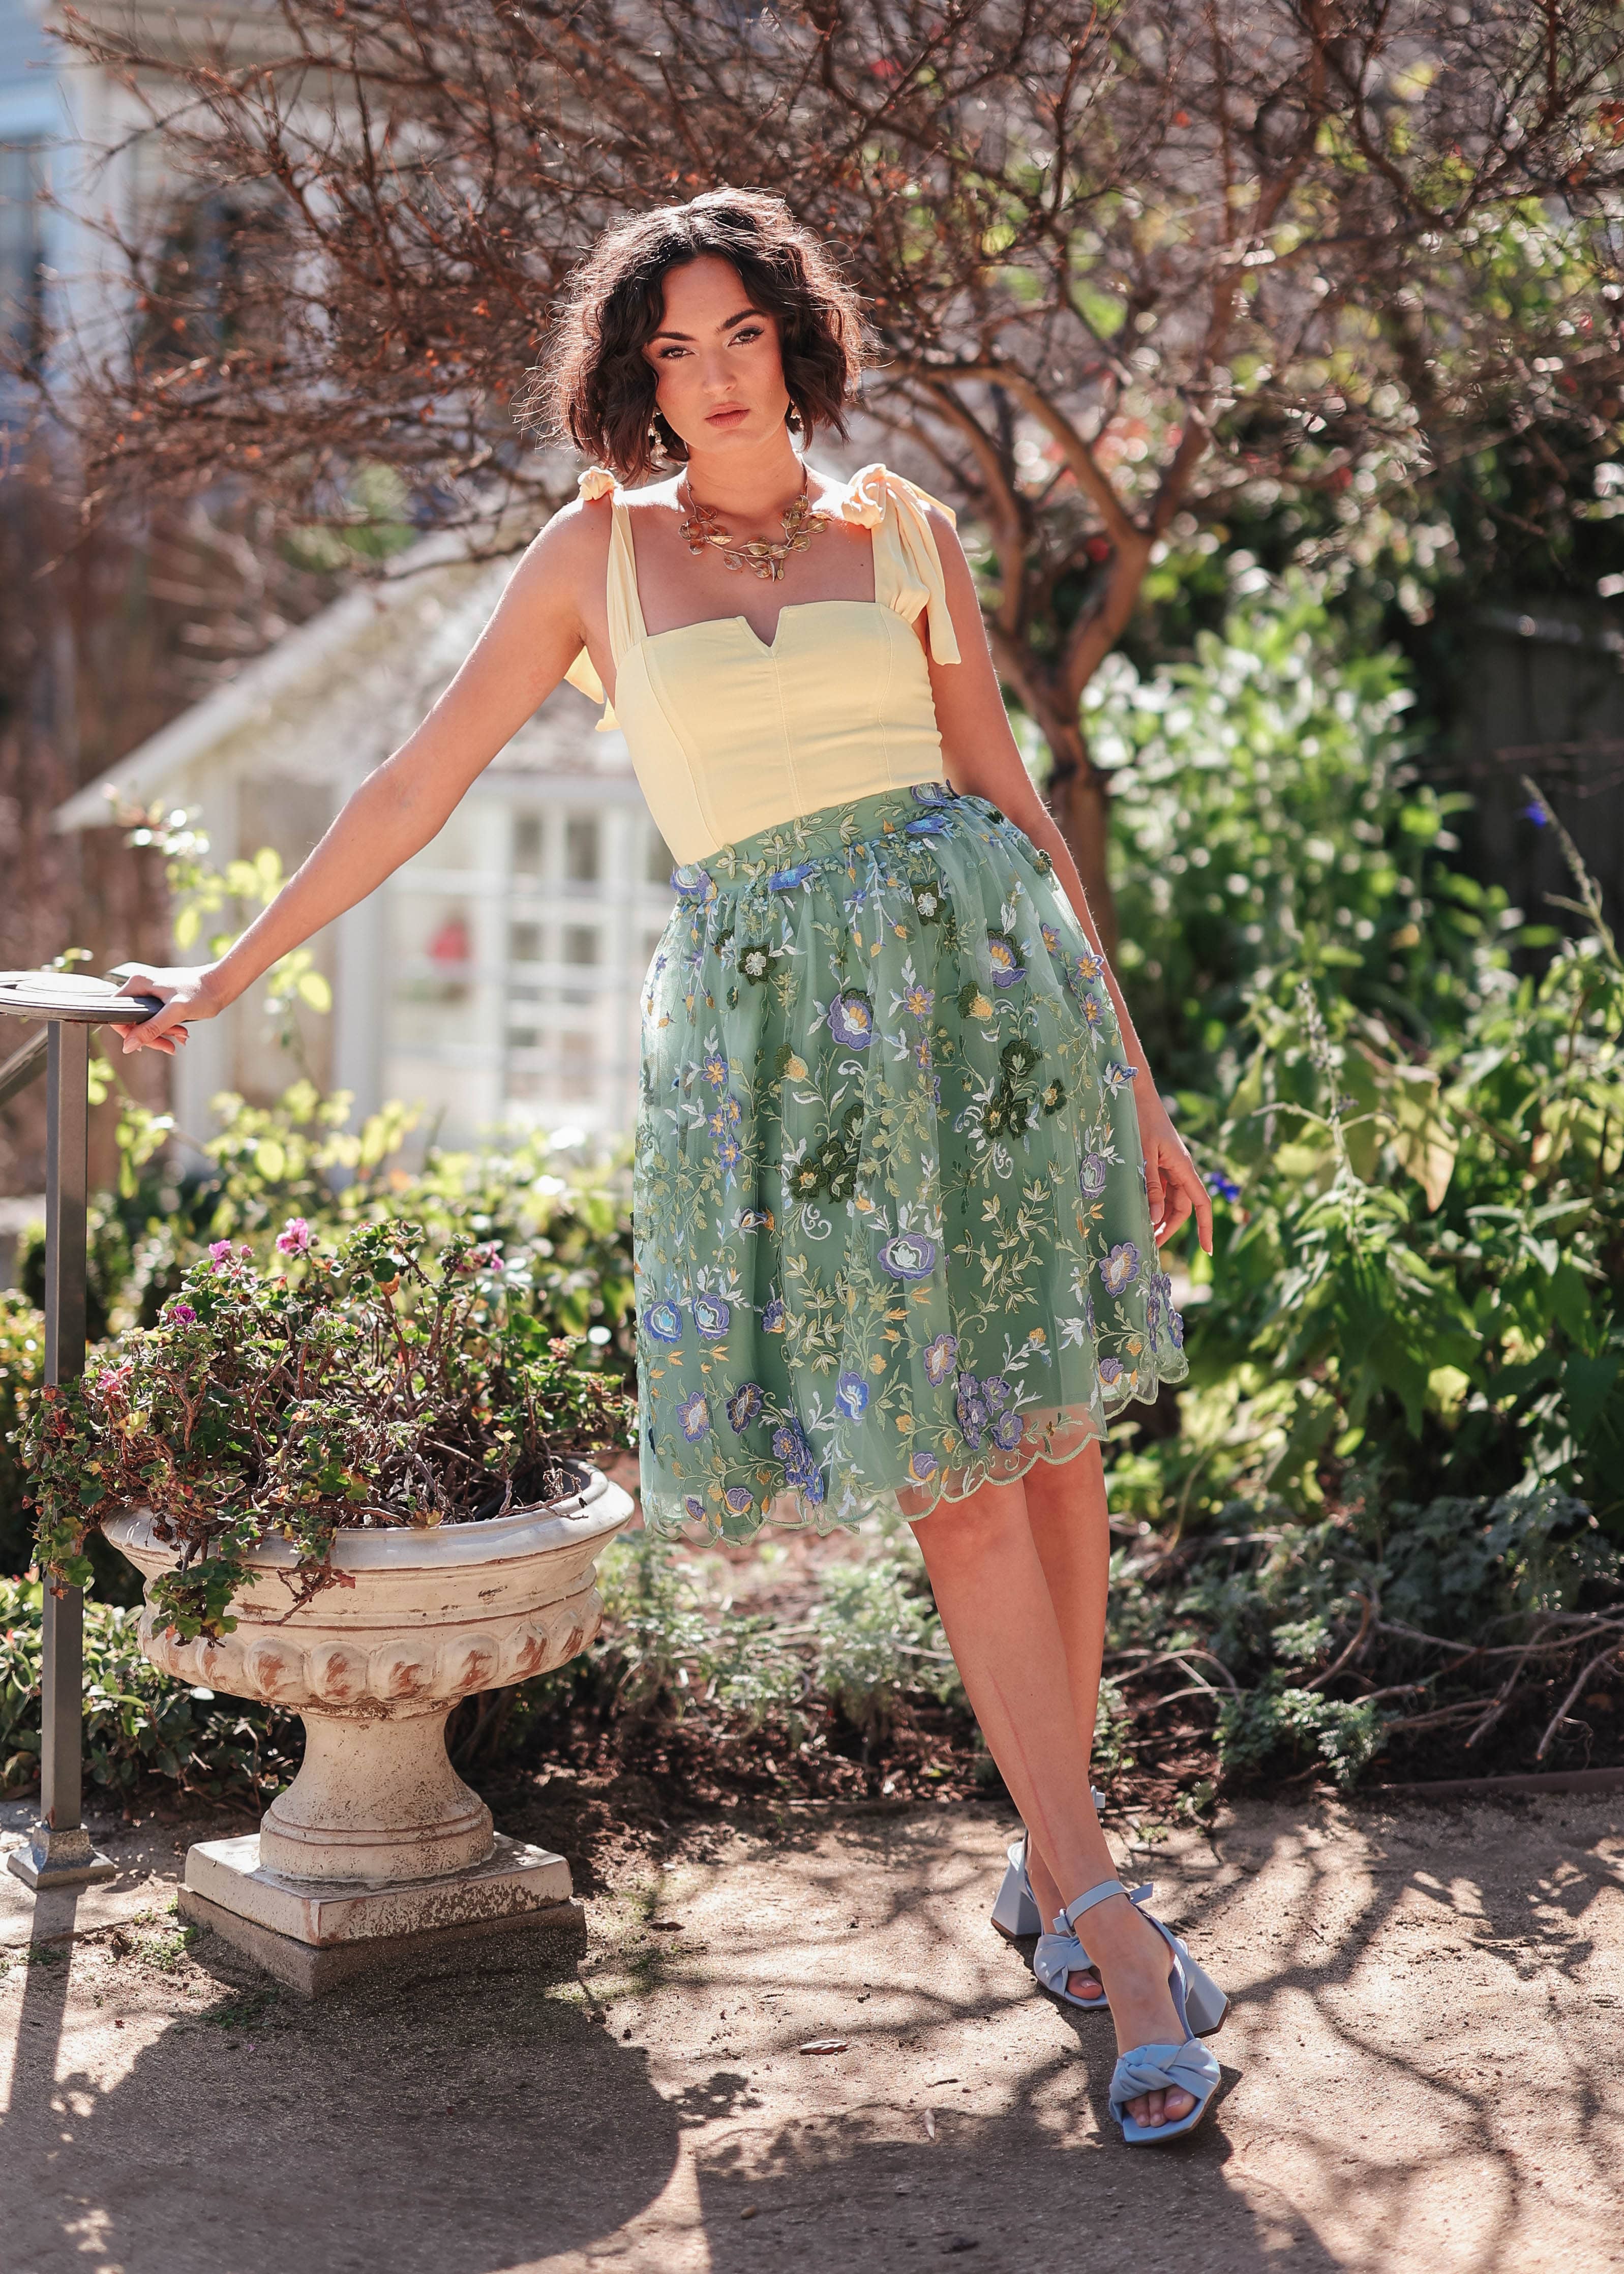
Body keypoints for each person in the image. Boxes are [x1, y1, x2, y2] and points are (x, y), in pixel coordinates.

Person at [114, 189, 1224, 2144]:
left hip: (993, 1016)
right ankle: (1118, 1932)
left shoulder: (904, 531)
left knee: (1052, 1460)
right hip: (790, 1064)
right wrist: (229, 972)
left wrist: (1134, 1079)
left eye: (739, 334)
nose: (711, 377)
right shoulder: (595, 556)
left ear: (796, 339)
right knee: (959, 1487)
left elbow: (1005, 792)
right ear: (636, 379)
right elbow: (414, 783)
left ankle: (1059, 1869)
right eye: (671, 351)